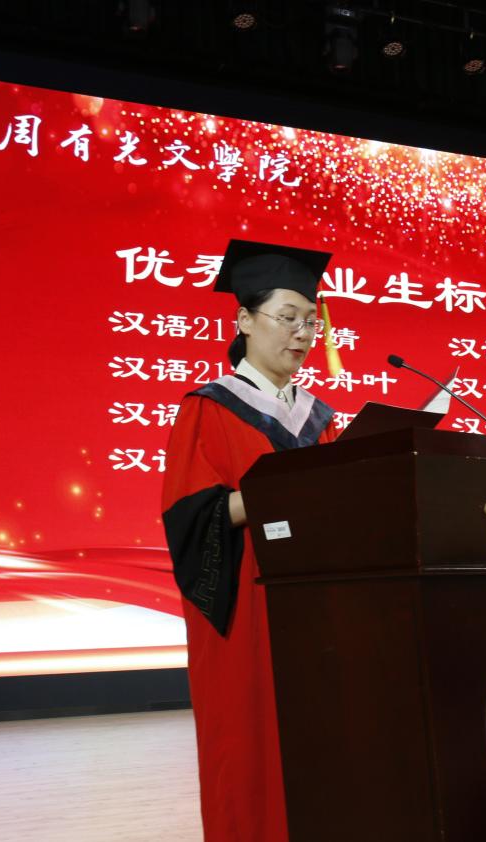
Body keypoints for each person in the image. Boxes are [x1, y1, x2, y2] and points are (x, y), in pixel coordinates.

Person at [160, 238, 338, 842]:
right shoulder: (208, 409)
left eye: (309, 321)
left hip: (312, 606)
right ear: (244, 320)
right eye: (287, 318)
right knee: (248, 745)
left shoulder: (318, 418)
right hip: (246, 609)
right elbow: (191, 517)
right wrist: (280, 491)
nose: (302, 334)